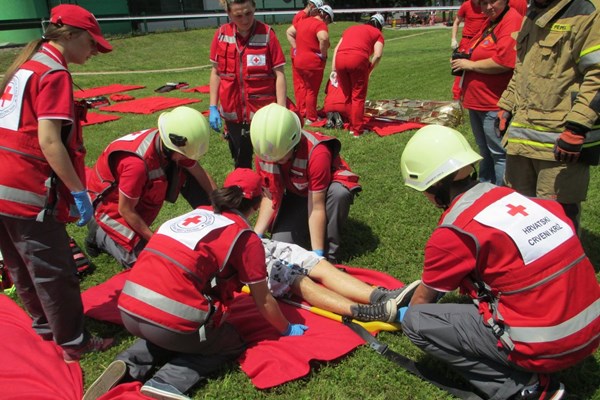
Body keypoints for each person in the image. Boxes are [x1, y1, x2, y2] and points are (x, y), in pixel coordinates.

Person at [399, 125, 600, 400]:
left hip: (549, 344)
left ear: (436, 187)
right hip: (591, 329)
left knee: (416, 322)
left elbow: (422, 304)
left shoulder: (455, 231)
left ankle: (524, 388)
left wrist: (401, 314)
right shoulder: (527, 202)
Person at [85, 168, 308, 400]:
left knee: (168, 329)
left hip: (129, 306)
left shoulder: (195, 214)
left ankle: (129, 362)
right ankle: (167, 381)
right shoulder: (243, 237)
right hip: (171, 318)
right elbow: (262, 298)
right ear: (255, 204)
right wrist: (286, 328)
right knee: (228, 341)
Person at [0, 4, 113, 362]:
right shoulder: (54, 73)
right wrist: (79, 191)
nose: (94, 51)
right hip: (26, 190)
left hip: (2, 183)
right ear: (71, 36)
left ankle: (44, 327)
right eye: (92, 43)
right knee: (54, 270)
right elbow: (50, 141)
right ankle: (73, 342)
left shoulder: (27, 67)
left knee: (19, 263)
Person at [496, 0, 600, 232]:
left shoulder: (588, 12)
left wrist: (577, 127)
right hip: (521, 139)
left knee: (556, 221)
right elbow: (521, 69)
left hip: (560, 146)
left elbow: (597, 77)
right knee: (520, 215)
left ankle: (565, 268)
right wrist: (507, 104)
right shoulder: (533, 13)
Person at [85, 106, 216, 269]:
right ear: (171, 146)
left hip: (132, 196)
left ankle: (213, 223)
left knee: (189, 174)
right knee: (146, 262)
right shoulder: (136, 165)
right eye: (185, 155)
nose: (187, 159)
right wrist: (155, 240)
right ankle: (97, 233)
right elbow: (125, 210)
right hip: (109, 207)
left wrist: (217, 201)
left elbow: (198, 171)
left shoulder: (170, 141)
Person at [250, 103, 361, 263]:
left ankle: (330, 253)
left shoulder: (317, 153)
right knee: (281, 244)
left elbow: (316, 206)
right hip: (298, 194)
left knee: (339, 194)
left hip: (325, 192)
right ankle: (308, 231)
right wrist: (257, 235)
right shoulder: (266, 152)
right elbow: (269, 195)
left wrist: (317, 254)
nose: (276, 162)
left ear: (293, 142)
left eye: (280, 158)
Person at [262, 239, 421, 323]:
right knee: (293, 278)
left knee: (314, 262)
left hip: (260, 242)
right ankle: (363, 312)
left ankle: (381, 297)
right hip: (249, 251)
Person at [450, 0, 522, 185]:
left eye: (492, 1)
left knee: (499, 153)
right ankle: (485, 190)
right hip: (478, 102)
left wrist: (470, 64)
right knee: (485, 150)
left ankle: (500, 195)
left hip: (493, 103)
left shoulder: (511, 20)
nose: (488, 7)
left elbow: (505, 61)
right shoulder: (492, 21)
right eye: (483, 3)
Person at [208, 0, 287, 168]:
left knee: (269, 160)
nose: (245, 20)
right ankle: (245, 192)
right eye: (238, 15)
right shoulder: (221, 35)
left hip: (262, 114)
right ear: (229, 14)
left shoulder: (267, 34)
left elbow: (279, 74)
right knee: (241, 161)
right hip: (233, 115)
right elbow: (216, 73)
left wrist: (281, 110)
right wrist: (213, 106)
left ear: (254, 9)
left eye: (248, 13)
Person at [332, 13, 385, 137]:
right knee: (358, 96)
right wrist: (369, 69)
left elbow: (336, 48)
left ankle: (351, 126)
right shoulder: (377, 34)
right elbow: (377, 55)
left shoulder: (350, 29)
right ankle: (357, 130)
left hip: (340, 59)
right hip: (357, 59)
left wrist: (334, 69)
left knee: (348, 96)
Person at [287, 5, 334, 125]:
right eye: (329, 21)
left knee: (303, 87)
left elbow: (289, 32)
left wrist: (296, 48)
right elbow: (323, 38)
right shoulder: (320, 25)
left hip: (299, 61)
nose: (327, 24)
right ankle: (311, 117)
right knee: (312, 90)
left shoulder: (303, 21)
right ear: (326, 16)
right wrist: (323, 54)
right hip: (312, 63)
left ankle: (303, 112)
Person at [450, 0, 487, 100]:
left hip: (481, 40)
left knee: (480, 68)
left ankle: (476, 95)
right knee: (459, 70)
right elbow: (456, 22)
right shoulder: (466, 5)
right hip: (466, 41)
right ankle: (457, 97)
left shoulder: (486, 5)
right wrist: (453, 38)